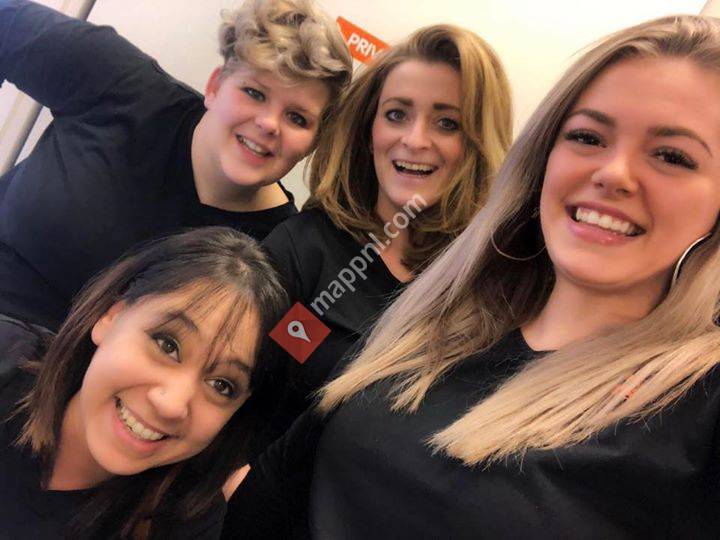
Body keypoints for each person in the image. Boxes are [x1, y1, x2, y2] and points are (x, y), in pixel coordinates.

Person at [225, 15, 720, 539]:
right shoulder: (444, 307)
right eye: (587, 136)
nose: (614, 173)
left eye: (672, 156)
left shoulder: (697, 405)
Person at [0, 0, 351, 330]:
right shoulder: (122, 87)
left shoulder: (279, 255)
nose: (269, 124)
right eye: (255, 93)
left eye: (297, 118)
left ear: (314, 143)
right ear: (215, 86)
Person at [259, 24, 513, 443]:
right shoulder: (303, 249)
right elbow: (238, 391)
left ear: (477, 142)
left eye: (447, 123)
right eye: (397, 115)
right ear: (368, 129)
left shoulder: (491, 286)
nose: (414, 140)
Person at [0, 227, 288, 539]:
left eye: (221, 385)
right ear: (111, 316)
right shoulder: (7, 357)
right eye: (167, 345)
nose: (171, 404)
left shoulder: (183, 524)